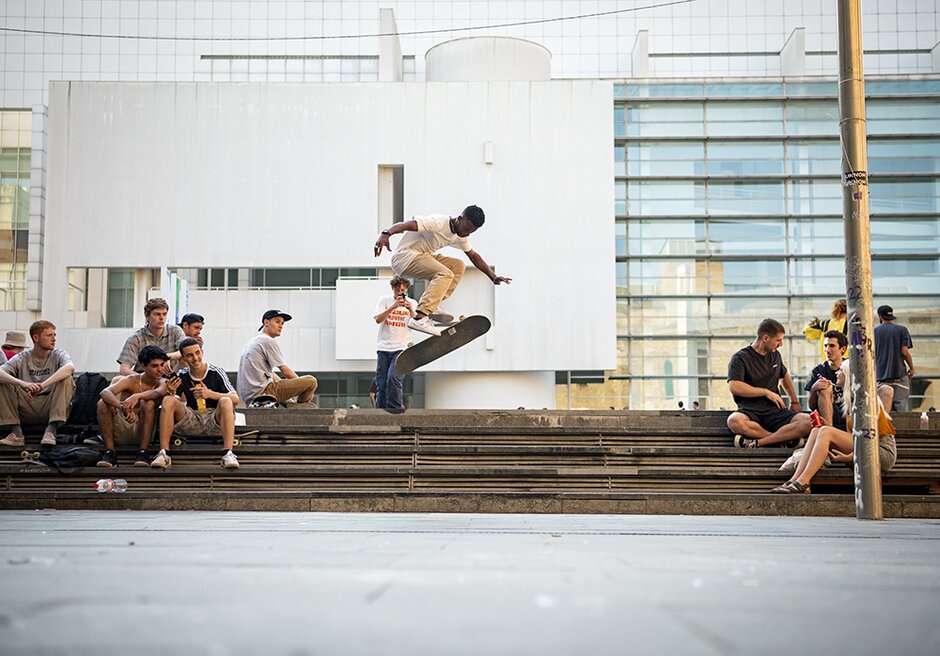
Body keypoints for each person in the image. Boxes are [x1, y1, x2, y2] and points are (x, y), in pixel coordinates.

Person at [373, 205, 511, 336]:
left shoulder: (460, 236)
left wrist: (492, 276)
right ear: (460, 218)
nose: (466, 233)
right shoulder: (438, 223)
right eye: (466, 228)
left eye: (471, 231)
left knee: (457, 266)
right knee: (445, 274)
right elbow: (408, 224)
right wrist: (386, 233)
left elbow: (473, 256)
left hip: (421, 256)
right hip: (404, 258)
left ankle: (433, 305)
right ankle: (420, 318)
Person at [771, 359, 896, 494]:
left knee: (826, 431)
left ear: (849, 375)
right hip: (861, 451)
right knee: (817, 430)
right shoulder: (850, 403)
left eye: (841, 370)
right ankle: (795, 480)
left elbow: (871, 440)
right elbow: (852, 436)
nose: (837, 372)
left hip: (880, 452)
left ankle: (803, 481)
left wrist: (850, 456)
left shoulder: (867, 402)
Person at [150, 338, 239, 470]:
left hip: (214, 418)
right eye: (190, 355)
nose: (195, 358)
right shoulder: (181, 375)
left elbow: (235, 398)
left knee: (226, 400)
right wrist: (170, 392)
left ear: (202, 352)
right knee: (168, 400)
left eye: (197, 353)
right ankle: (163, 453)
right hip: (192, 418)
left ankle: (228, 453)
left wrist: (209, 394)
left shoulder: (216, 371)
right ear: (184, 359)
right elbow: (173, 402)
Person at [727, 318, 812, 448]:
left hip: (775, 412)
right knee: (734, 421)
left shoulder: (775, 355)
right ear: (765, 338)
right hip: (750, 411)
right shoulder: (740, 358)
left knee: (808, 421)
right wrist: (765, 392)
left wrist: (794, 401)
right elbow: (735, 386)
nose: (781, 344)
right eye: (778, 340)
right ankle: (780, 439)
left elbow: (784, 376)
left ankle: (763, 441)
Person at [96, 345, 178, 467]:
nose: (160, 369)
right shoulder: (131, 380)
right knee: (102, 403)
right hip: (123, 428)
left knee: (148, 402)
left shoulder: (163, 382)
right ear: (143, 366)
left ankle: (143, 453)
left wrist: (137, 396)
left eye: (162, 365)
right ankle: (110, 453)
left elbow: (158, 393)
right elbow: (105, 392)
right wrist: (122, 407)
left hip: (145, 430)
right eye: (155, 366)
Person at [0, 321, 76, 448]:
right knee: (3, 381)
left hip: (50, 406)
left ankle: (51, 431)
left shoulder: (58, 354)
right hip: (26, 405)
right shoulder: (21, 358)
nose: (54, 339)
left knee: (66, 378)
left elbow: (70, 368)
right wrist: (23, 384)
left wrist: (42, 385)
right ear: (36, 338)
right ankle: (16, 433)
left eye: (54, 335)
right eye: (49, 335)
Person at [237, 309, 318, 407]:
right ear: (266, 322)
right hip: (264, 392)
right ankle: (300, 406)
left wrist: (288, 390)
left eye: (282, 323)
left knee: (279, 383)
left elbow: (270, 374)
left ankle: (291, 404)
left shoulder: (253, 342)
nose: (281, 326)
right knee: (311, 381)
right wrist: (305, 389)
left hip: (250, 396)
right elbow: (286, 371)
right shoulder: (268, 341)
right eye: (277, 322)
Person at [373, 276, 416, 412]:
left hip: (402, 348)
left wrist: (410, 310)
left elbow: (418, 323)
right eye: (397, 289)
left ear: (407, 289)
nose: (400, 292)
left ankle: (395, 409)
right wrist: (393, 307)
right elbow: (378, 319)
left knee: (393, 378)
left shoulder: (412, 303)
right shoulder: (385, 301)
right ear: (393, 289)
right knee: (382, 383)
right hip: (384, 348)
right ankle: (380, 412)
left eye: (402, 290)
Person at [116, 298, 185, 376]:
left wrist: (167, 357)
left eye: (164, 314)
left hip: (172, 378)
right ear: (146, 315)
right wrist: (144, 381)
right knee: (116, 380)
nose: (162, 318)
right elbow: (124, 370)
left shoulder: (175, 331)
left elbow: (186, 353)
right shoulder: (136, 338)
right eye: (157, 314)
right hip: (144, 382)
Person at [804, 330, 847, 430]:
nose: (827, 350)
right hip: (830, 418)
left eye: (832, 346)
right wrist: (814, 389)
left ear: (843, 349)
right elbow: (811, 407)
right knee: (825, 388)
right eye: (825, 346)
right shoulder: (817, 371)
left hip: (849, 416)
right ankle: (829, 431)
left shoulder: (851, 367)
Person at [875, 304, 914, 412]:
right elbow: (905, 352)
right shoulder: (902, 330)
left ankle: (885, 429)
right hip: (900, 376)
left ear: (880, 317)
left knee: (883, 410)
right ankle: (901, 429)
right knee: (901, 410)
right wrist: (911, 368)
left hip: (881, 377)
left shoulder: (874, 332)